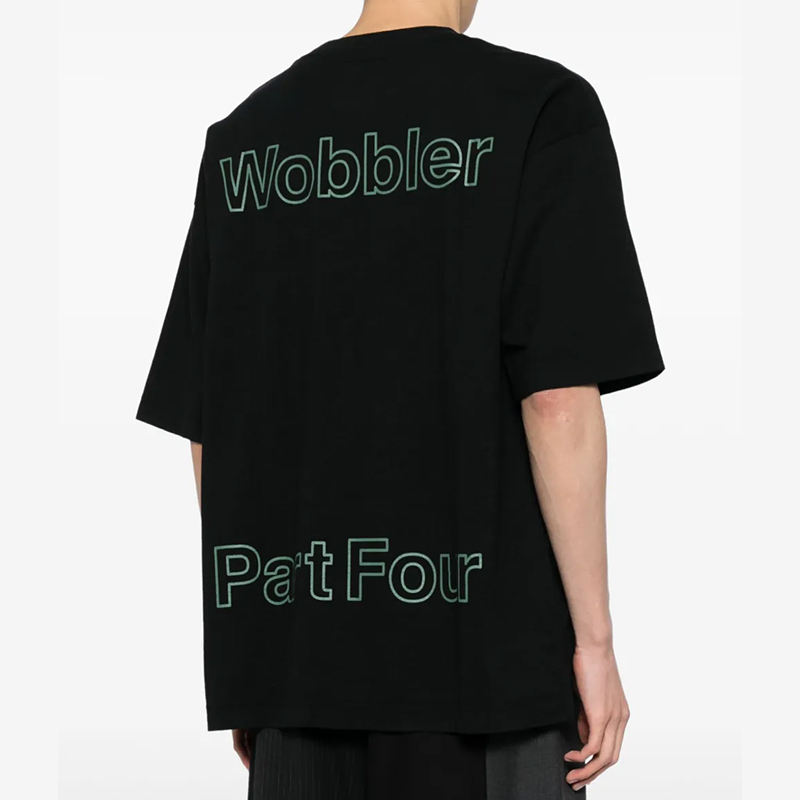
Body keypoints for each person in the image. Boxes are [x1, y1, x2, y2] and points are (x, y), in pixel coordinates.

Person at [136, 0, 664, 796]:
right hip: (487, 679)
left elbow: (210, 423)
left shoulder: (243, 139)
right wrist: (594, 645)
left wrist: (259, 655)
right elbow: (557, 397)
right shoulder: (538, 108)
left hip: (299, 665)